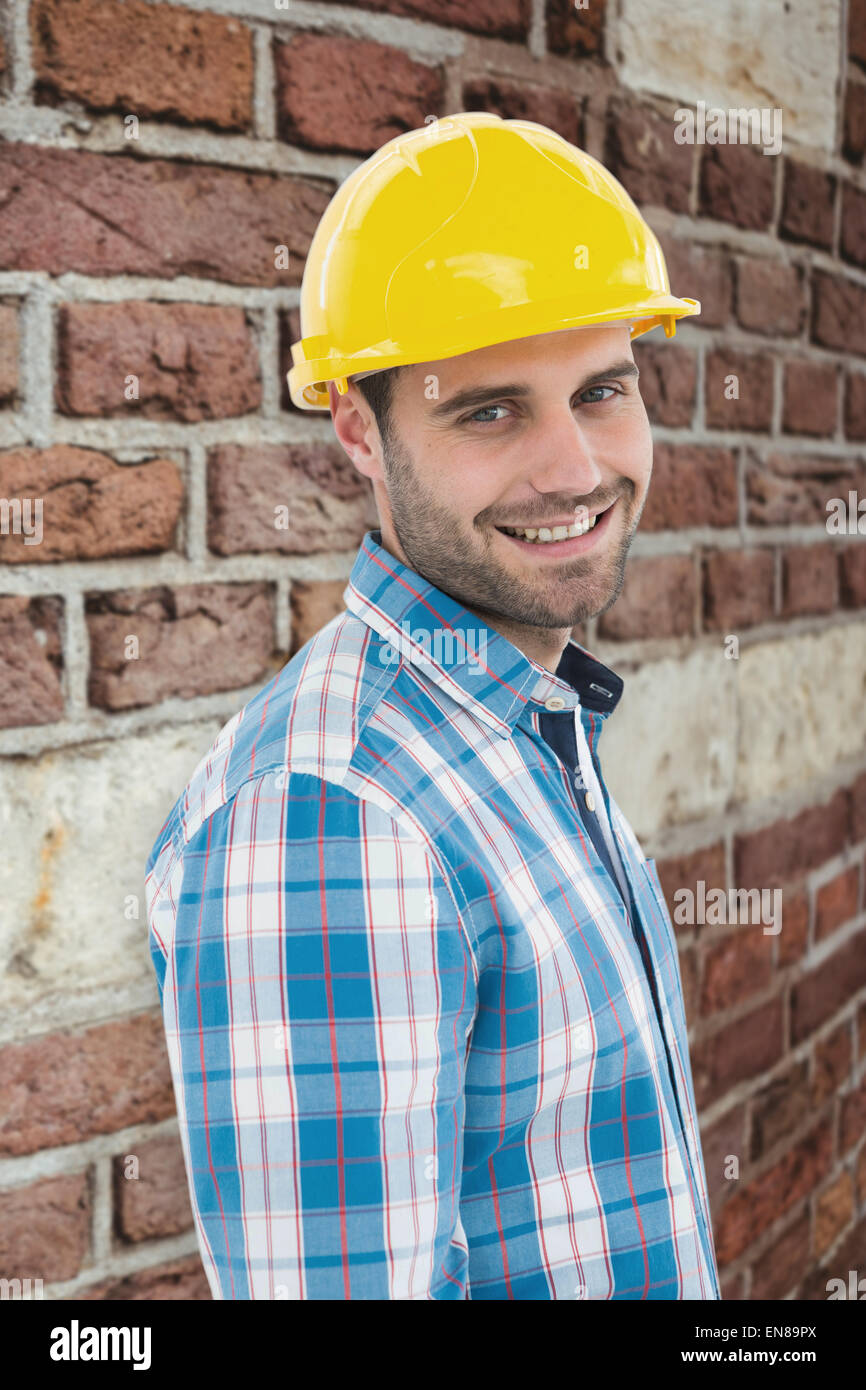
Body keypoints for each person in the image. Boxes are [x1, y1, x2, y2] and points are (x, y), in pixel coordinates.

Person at [145, 111, 720, 1300]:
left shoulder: (522, 720)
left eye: (601, 390)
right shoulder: (333, 813)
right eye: (489, 410)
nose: (574, 469)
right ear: (359, 427)